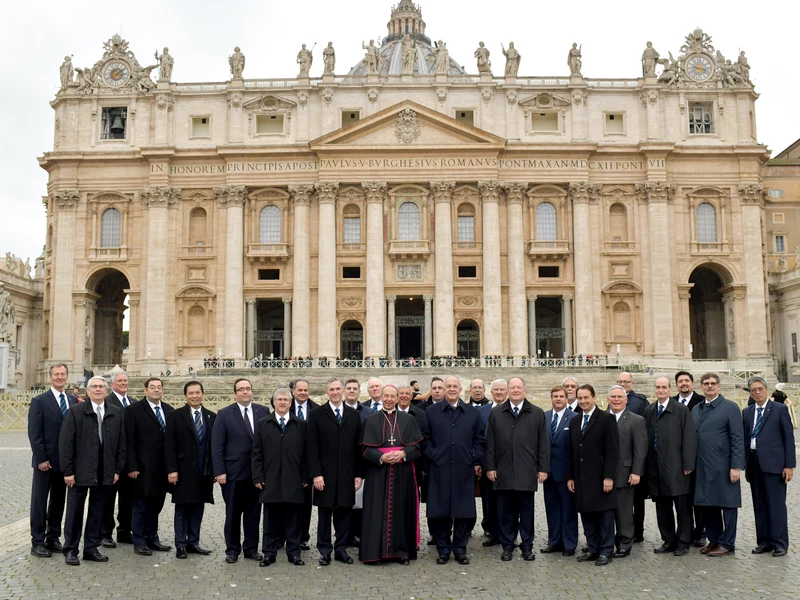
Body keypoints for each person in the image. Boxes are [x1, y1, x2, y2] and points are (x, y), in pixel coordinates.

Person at [59, 376, 125, 565]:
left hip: (105, 469)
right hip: (80, 469)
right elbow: (66, 443)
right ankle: (71, 549)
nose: (97, 390)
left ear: (106, 391)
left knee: (98, 511)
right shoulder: (75, 412)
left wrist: (117, 470)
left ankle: (91, 548)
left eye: (101, 387)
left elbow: (121, 444)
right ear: (87, 391)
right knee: (74, 511)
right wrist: (68, 471)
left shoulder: (115, 412)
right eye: (94, 387)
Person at [485, 377, 549, 561]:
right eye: (511, 387)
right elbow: (490, 443)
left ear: (524, 390)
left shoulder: (536, 413)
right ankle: (507, 546)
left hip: (526, 471)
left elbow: (543, 443)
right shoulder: (496, 413)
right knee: (506, 513)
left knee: (527, 513)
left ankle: (527, 547)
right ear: (507, 390)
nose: (515, 390)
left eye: (518, 387)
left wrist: (543, 468)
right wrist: (490, 466)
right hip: (503, 471)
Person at [423, 376, 484, 565]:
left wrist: (471, 456)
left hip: (463, 469)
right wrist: (435, 455)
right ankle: (443, 549)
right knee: (440, 512)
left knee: (462, 512)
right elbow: (424, 439)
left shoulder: (472, 413)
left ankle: (459, 548)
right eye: (447, 386)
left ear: (460, 389)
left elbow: (480, 440)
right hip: (439, 469)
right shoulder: (431, 412)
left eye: (454, 386)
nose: (450, 389)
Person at [359, 385, 423, 564]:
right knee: (376, 511)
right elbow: (364, 450)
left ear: (397, 399)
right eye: (385, 396)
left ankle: (401, 552)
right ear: (381, 397)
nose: (388, 399)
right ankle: (375, 553)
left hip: (403, 472)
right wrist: (381, 457)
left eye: (392, 396)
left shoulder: (408, 420)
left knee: (402, 511)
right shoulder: (371, 420)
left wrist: (403, 454)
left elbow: (417, 447)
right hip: (378, 473)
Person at [211, 378, 270, 563]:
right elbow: (217, 445)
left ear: (252, 391)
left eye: (248, 389)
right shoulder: (224, 414)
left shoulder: (263, 411)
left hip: (256, 474)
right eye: (241, 389)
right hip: (233, 473)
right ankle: (232, 550)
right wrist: (219, 471)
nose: (245, 392)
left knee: (253, 513)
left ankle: (251, 549)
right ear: (235, 393)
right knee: (233, 514)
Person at [307, 378, 362, 566]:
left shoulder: (354, 415)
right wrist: (316, 474)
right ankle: (324, 550)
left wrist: (358, 474)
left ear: (344, 391)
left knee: (345, 513)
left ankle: (341, 549)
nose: (336, 392)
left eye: (339, 389)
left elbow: (358, 447)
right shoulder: (316, 414)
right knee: (324, 514)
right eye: (332, 389)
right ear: (326, 392)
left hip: (347, 474)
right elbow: (311, 448)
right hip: (325, 474)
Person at [252, 388, 308, 566]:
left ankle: (294, 553)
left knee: (293, 520)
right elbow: (256, 453)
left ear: (291, 403)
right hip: (270, 479)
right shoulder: (263, 424)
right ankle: (269, 553)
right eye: (279, 399)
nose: (283, 402)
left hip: (294, 479)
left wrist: (306, 476)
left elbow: (307, 453)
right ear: (274, 402)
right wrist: (257, 476)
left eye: (286, 400)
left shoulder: (300, 424)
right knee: (270, 520)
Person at [692, 373, 744, 557]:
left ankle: (727, 543)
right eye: (706, 384)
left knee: (728, 504)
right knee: (708, 504)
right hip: (702, 465)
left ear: (719, 386)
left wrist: (736, 466)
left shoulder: (730, 407)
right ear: (701, 387)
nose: (710, 386)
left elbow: (738, 438)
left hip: (724, 465)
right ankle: (714, 540)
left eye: (713, 383)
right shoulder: (696, 409)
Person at [28, 364, 78, 558]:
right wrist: (41, 458)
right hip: (45, 463)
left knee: (58, 501)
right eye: (56, 374)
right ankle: (37, 541)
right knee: (39, 502)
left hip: (65, 463)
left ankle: (53, 537)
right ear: (50, 377)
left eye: (62, 374)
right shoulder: (40, 400)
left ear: (67, 377)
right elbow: (34, 433)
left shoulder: (73, 400)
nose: (59, 377)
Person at [743, 376, 795, 557]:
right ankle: (763, 541)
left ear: (766, 390)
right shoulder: (747, 412)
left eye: (760, 389)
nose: (757, 392)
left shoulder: (779, 409)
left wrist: (789, 465)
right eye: (753, 390)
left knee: (776, 505)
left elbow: (789, 439)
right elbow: (745, 439)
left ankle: (780, 543)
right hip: (754, 463)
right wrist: (745, 465)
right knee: (759, 504)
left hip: (775, 465)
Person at [567, 384, 620, 566]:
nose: (582, 401)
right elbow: (572, 451)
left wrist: (609, 476)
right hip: (581, 478)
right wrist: (571, 476)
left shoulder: (607, 419)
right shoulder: (574, 421)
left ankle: (606, 550)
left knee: (605, 516)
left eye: (586, 398)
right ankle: (593, 548)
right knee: (587, 515)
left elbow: (613, 450)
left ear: (594, 398)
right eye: (580, 398)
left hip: (601, 478)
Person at [645, 377, 697, 556]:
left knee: (682, 507)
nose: (660, 390)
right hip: (656, 468)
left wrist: (688, 464)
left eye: (663, 387)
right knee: (662, 507)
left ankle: (683, 541)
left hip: (677, 467)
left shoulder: (681, 410)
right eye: (657, 387)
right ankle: (668, 539)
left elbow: (689, 438)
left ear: (670, 389)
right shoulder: (649, 410)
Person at [165, 381, 216, 559]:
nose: (195, 396)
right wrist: (171, 469)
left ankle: (193, 542)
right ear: (185, 396)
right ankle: (180, 544)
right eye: (191, 393)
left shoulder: (211, 416)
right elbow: (169, 445)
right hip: (182, 471)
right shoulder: (175, 416)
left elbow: (214, 447)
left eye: (197, 393)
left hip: (204, 472)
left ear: (202, 394)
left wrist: (214, 470)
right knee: (182, 508)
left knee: (198, 507)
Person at [125, 377, 174, 556]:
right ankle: (139, 541)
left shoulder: (169, 410)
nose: (156, 390)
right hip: (142, 468)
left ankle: (152, 538)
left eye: (159, 387)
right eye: (152, 387)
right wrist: (131, 466)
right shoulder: (133, 410)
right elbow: (129, 440)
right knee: (140, 506)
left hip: (162, 469)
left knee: (156, 505)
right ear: (145, 390)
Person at [607, 385, 647, 559]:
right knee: (607, 511)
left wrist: (636, 472)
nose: (616, 400)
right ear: (608, 399)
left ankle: (624, 544)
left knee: (624, 511)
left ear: (626, 400)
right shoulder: (602, 418)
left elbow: (640, 450)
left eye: (619, 397)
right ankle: (608, 541)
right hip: (605, 474)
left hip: (625, 473)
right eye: (613, 397)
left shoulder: (636, 420)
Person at [101, 371, 136, 547]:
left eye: (125, 380)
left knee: (127, 498)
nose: (123, 383)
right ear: (112, 384)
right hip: (111, 460)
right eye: (119, 381)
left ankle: (124, 531)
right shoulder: (106, 402)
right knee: (108, 498)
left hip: (129, 461)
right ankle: (105, 532)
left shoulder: (134, 402)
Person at [541, 385, 578, 556]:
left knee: (568, 510)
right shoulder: (544, 417)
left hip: (566, 473)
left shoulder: (574, 418)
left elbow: (575, 449)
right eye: (555, 396)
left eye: (561, 396)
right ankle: (554, 541)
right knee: (552, 509)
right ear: (551, 398)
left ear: (566, 398)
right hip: (548, 473)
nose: (558, 399)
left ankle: (570, 543)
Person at [672, 370, 705, 546]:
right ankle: (685, 530)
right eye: (680, 382)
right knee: (682, 499)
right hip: (677, 460)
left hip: (698, 457)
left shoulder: (701, 402)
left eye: (686, 381)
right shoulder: (672, 403)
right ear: (676, 385)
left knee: (697, 497)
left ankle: (700, 531)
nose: (683, 384)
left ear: (692, 383)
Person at [615, 371, 648, 542]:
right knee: (620, 505)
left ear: (632, 383)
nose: (623, 384)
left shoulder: (640, 402)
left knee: (636, 501)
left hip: (633, 464)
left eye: (626, 381)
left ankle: (637, 532)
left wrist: (638, 468)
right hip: (616, 466)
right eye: (620, 381)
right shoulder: (612, 404)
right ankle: (622, 532)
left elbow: (643, 436)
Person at [477, 379, 506, 547]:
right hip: (487, 463)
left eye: (502, 389)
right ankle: (493, 533)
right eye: (496, 390)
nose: (499, 392)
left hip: (508, 464)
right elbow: (479, 438)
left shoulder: (514, 410)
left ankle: (508, 533)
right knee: (490, 501)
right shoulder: (482, 411)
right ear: (491, 391)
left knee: (508, 501)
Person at [291, 379, 316, 550]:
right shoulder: (283, 404)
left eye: (306, 390)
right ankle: (282, 536)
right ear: (293, 391)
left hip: (308, 462)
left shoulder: (317, 410)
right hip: (286, 461)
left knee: (305, 504)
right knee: (284, 501)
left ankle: (303, 537)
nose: (303, 393)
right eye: (300, 390)